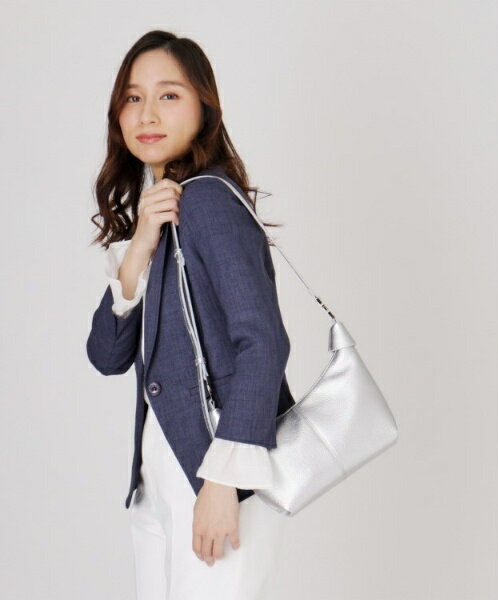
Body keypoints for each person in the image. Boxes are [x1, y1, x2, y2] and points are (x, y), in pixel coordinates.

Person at [86, 30, 295, 600]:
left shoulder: (206, 200)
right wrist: (139, 245)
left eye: (169, 95)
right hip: (159, 479)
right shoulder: (162, 214)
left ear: (204, 107)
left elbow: (263, 342)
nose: (147, 114)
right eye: (133, 98)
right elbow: (106, 355)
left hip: (217, 474)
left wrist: (223, 480)